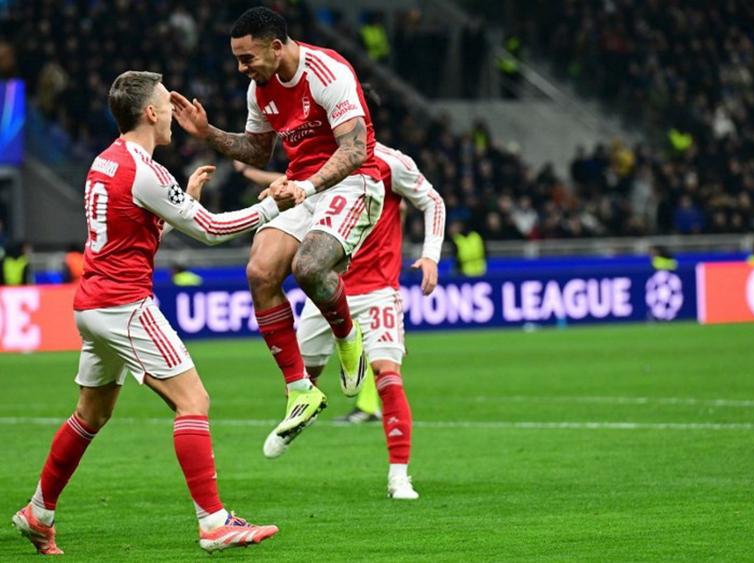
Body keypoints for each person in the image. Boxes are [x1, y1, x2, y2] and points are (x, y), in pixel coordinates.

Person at [11, 71, 285, 556]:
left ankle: (39, 512)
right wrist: (271, 208)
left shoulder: (105, 162)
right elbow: (212, 231)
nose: (175, 118)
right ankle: (213, 522)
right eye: (168, 107)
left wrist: (185, 203)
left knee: (91, 414)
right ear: (151, 112)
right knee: (193, 400)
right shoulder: (148, 172)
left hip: (92, 304)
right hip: (125, 304)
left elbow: (136, 233)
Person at [171, 7, 384, 444]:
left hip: (352, 183)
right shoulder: (259, 89)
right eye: (237, 59)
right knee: (260, 272)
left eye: (247, 58)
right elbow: (257, 150)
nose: (241, 68)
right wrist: (208, 132)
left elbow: (355, 149)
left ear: (275, 46)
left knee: (308, 267)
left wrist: (306, 186)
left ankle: (348, 339)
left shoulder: (326, 71)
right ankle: (301, 391)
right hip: (300, 187)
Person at [237, 140, 445, 500]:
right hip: (328, 290)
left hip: (378, 289)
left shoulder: (389, 162)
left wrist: (431, 256)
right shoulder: (318, 161)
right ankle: (301, 416)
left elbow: (433, 201)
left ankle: (399, 477)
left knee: (387, 374)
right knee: (300, 378)